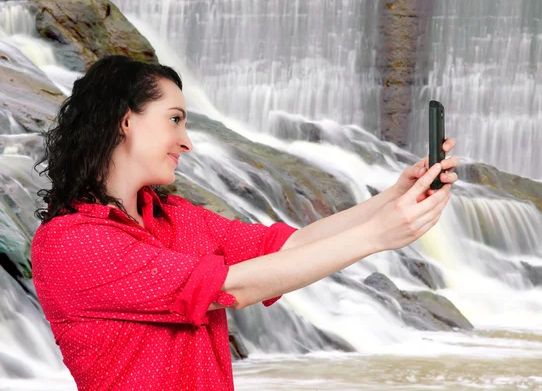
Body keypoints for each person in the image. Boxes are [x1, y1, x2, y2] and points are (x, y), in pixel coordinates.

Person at [30, 55, 459, 391]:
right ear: (125, 120)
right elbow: (229, 288)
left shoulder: (177, 218)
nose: (187, 141)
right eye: (174, 119)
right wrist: (376, 235)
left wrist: (393, 197)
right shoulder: (70, 243)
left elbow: (289, 249)